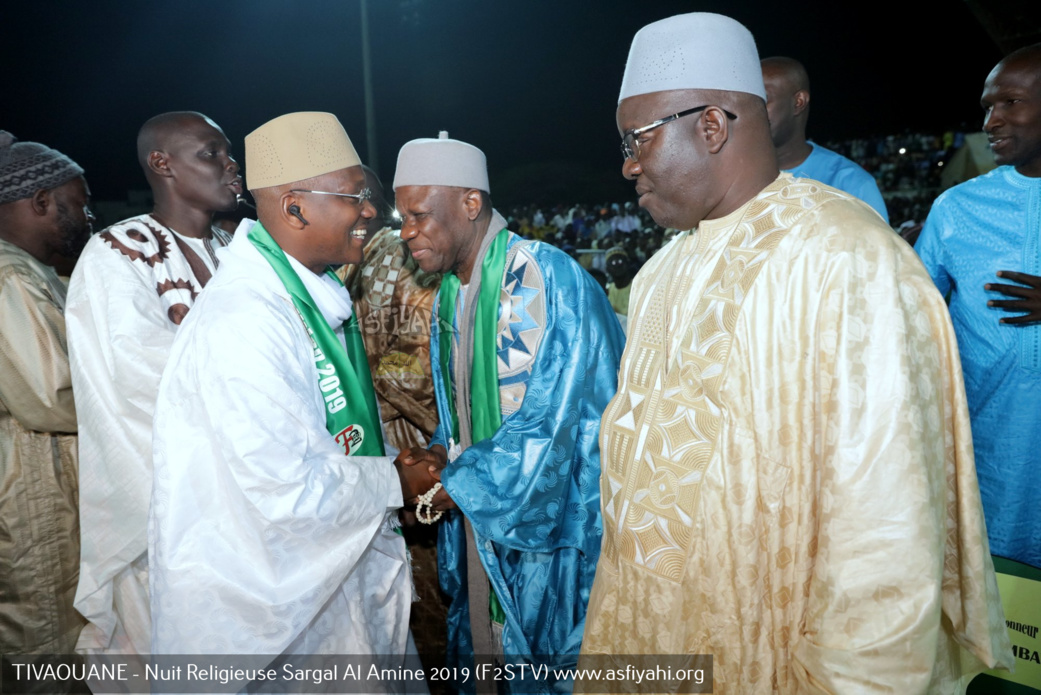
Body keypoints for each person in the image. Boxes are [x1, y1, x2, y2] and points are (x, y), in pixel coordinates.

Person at [580, 13, 1013, 693]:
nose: (628, 163)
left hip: (770, 655)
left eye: (636, 139)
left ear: (712, 125)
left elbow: (885, 533)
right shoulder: (661, 274)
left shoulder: (848, 257)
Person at [149, 112, 434, 666]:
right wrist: (393, 480)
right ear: (295, 207)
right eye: (354, 196)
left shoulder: (298, 297)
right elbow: (282, 490)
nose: (371, 211)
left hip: (325, 587)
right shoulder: (245, 318)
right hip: (272, 617)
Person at [393, 132, 625, 690]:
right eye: (402, 218)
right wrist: (439, 453)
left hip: (552, 535)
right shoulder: (451, 290)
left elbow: (561, 422)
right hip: (483, 521)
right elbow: (463, 415)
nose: (406, 234)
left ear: (471, 204)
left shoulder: (546, 277)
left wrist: (460, 478)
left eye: (419, 215)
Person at [66, 111, 240, 657]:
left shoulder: (240, 252)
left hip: (251, 493)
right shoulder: (119, 252)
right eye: (211, 153)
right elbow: (143, 378)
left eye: (228, 152)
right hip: (170, 500)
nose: (230, 165)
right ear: (161, 164)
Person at [914, 43, 1041, 569]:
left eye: (1010, 103)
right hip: (989, 454)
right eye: (988, 106)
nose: (991, 121)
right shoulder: (956, 209)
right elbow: (910, 314)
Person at [0, 131, 91, 657]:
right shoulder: (11, 276)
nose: (87, 218)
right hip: (32, 491)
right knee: (47, 640)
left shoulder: (34, 273)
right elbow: (53, 395)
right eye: (77, 205)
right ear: (41, 202)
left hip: (47, 481)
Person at [760, 56, 890, 223]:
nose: (753, 110)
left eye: (764, 98)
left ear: (798, 102)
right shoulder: (734, 177)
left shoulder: (852, 185)